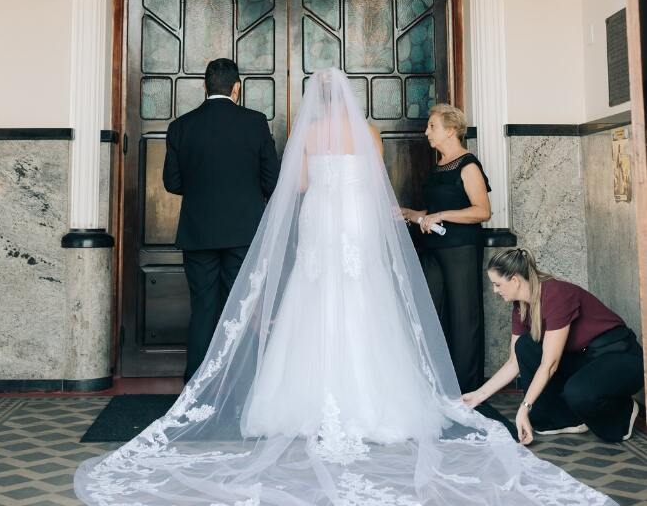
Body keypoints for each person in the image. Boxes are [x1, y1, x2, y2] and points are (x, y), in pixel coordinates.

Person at [75, 70, 619, 506]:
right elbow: (373, 182)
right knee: (365, 299)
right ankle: (378, 398)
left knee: (311, 297)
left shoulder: (307, 134)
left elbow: (302, 185)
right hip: (356, 220)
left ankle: (274, 397)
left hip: (318, 219)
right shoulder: (371, 133)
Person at [162, 57, 280, 381]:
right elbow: (273, 181)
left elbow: (171, 183)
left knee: (203, 308)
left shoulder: (180, 126)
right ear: (237, 89)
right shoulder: (255, 122)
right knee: (240, 307)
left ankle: (196, 386)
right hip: (243, 232)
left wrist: (201, 190)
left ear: (205, 86)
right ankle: (238, 384)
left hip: (198, 233)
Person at [464, 247, 643, 446]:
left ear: (514, 280)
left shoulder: (556, 294)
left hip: (620, 355)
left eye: (497, 284)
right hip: (585, 358)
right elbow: (514, 362)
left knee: (578, 393)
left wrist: (524, 408)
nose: (495, 290)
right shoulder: (520, 307)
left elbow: (550, 364)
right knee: (525, 346)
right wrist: (477, 396)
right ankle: (566, 419)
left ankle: (623, 411)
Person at [401, 103, 492, 391]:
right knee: (437, 312)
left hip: (461, 250)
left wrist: (442, 216)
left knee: (464, 318)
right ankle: (442, 383)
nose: (426, 131)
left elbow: (482, 211)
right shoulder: (439, 165)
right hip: (433, 249)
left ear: (451, 130)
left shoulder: (468, 164)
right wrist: (410, 214)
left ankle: (467, 389)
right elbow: (435, 210)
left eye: (432, 127)